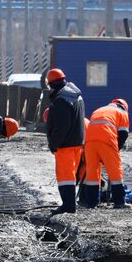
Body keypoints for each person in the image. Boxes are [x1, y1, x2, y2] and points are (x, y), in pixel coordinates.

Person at [42, 68, 86, 213]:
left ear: (51, 84)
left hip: (65, 145)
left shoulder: (61, 100)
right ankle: (69, 204)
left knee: (65, 176)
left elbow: (62, 126)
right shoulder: (75, 96)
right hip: (77, 142)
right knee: (71, 175)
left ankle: (68, 206)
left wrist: (53, 143)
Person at [82, 98, 131, 209]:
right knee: (115, 171)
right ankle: (119, 201)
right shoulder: (122, 112)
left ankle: (91, 203)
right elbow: (123, 134)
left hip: (89, 142)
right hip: (107, 139)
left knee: (92, 173)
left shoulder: (99, 110)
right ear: (124, 107)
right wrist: (116, 150)